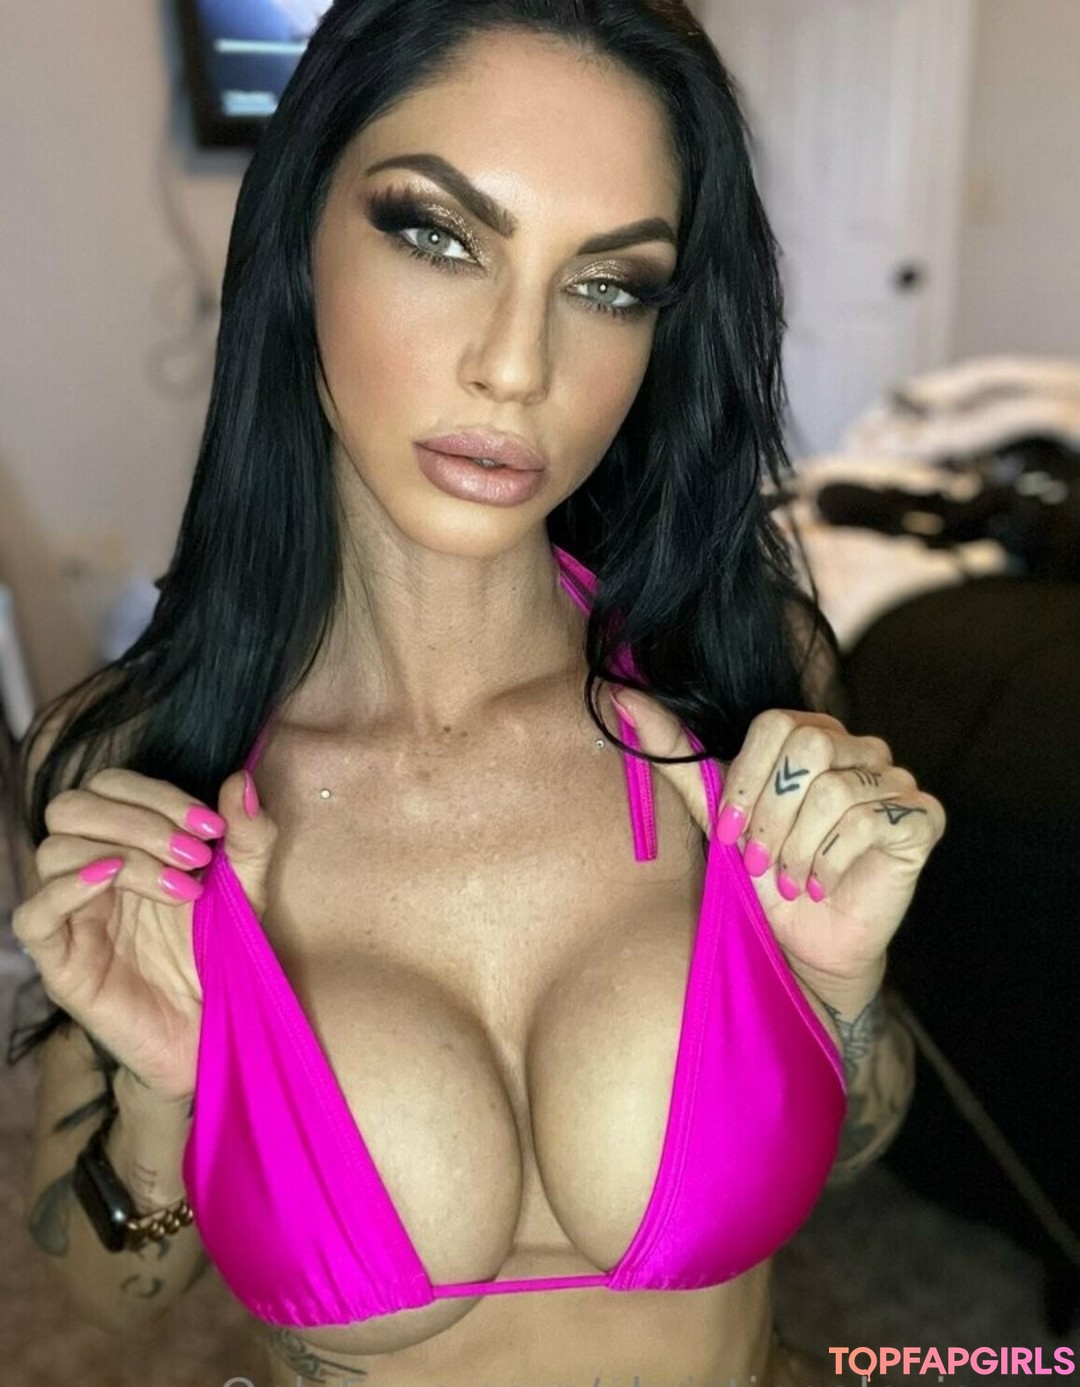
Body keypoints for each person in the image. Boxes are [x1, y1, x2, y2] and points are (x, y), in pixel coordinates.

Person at [11, 2, 938, 1383]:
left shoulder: (741, 680)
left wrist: (836, 986)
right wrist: (159, 1095)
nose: (518, 367)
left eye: (609, 285)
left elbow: (856, 1139)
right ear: (298, 234)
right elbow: (104, 1300)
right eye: (438, 236)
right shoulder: (139, 762)